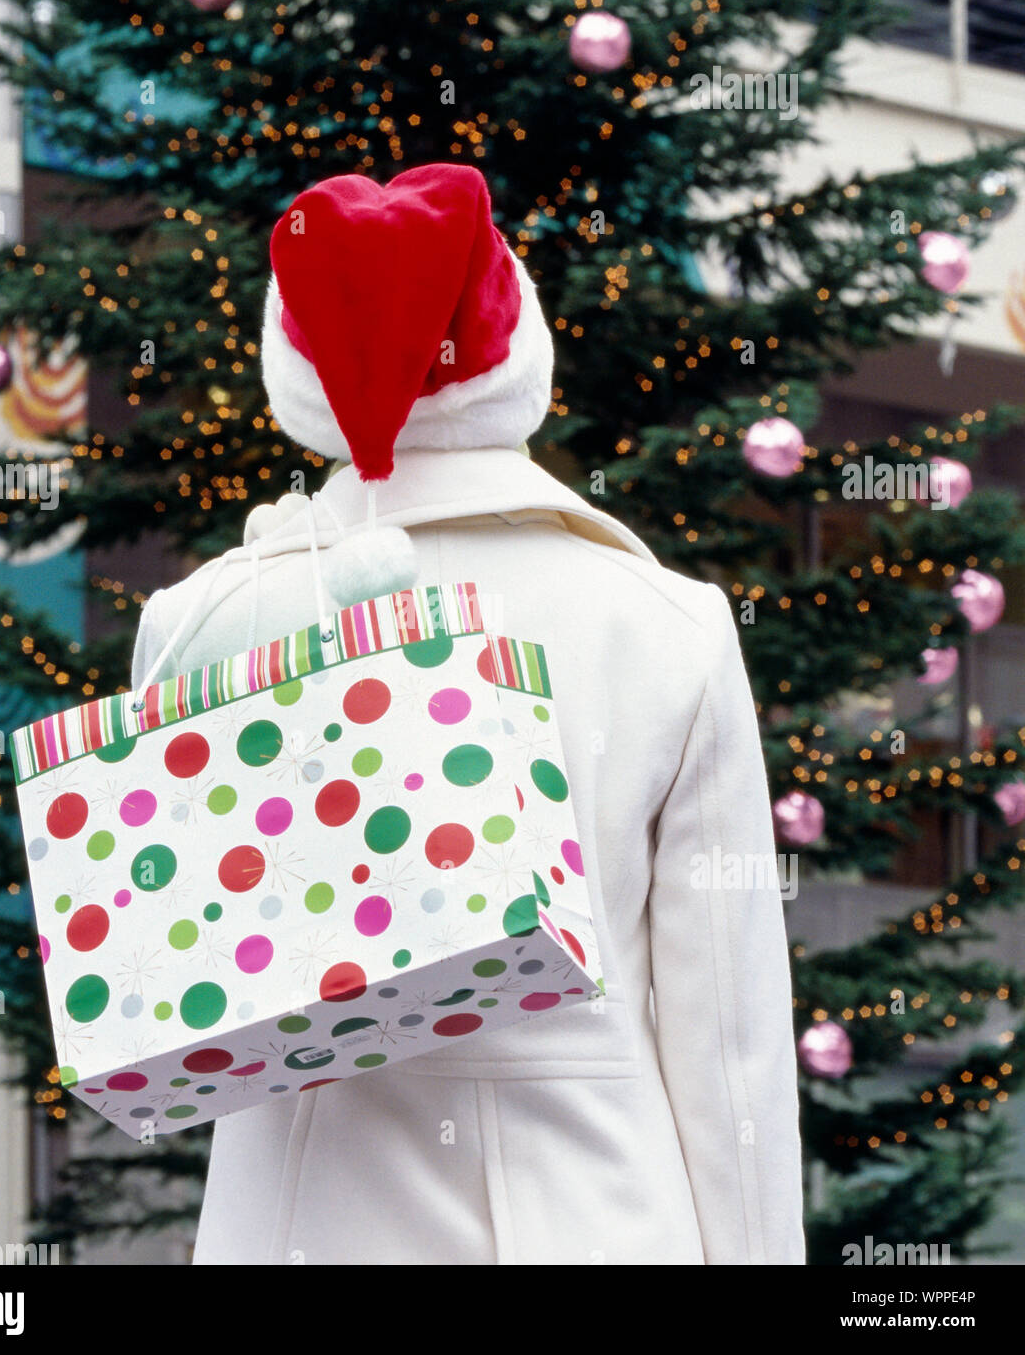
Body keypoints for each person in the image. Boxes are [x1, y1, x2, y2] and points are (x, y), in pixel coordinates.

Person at [131, 162, 805, 1264]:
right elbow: (726, 1041)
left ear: (292, 369)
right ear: (518, 349)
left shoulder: (205, 623)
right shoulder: (665, 625)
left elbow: (181, 1010)